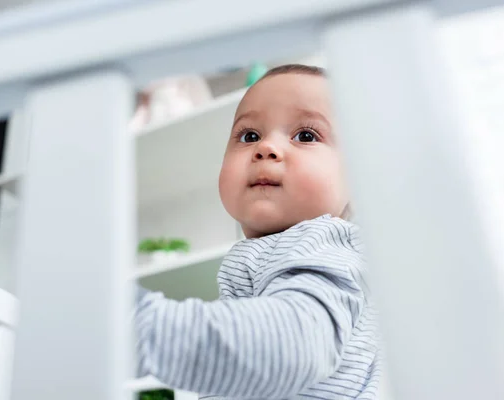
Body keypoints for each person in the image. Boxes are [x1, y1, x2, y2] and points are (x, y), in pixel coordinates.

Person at [135, 64, 381, 399]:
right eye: (250, 135)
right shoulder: (280, 250)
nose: (266, 149)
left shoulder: (326, 242)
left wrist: (147, 326)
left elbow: (295, 346)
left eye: (306, 136)